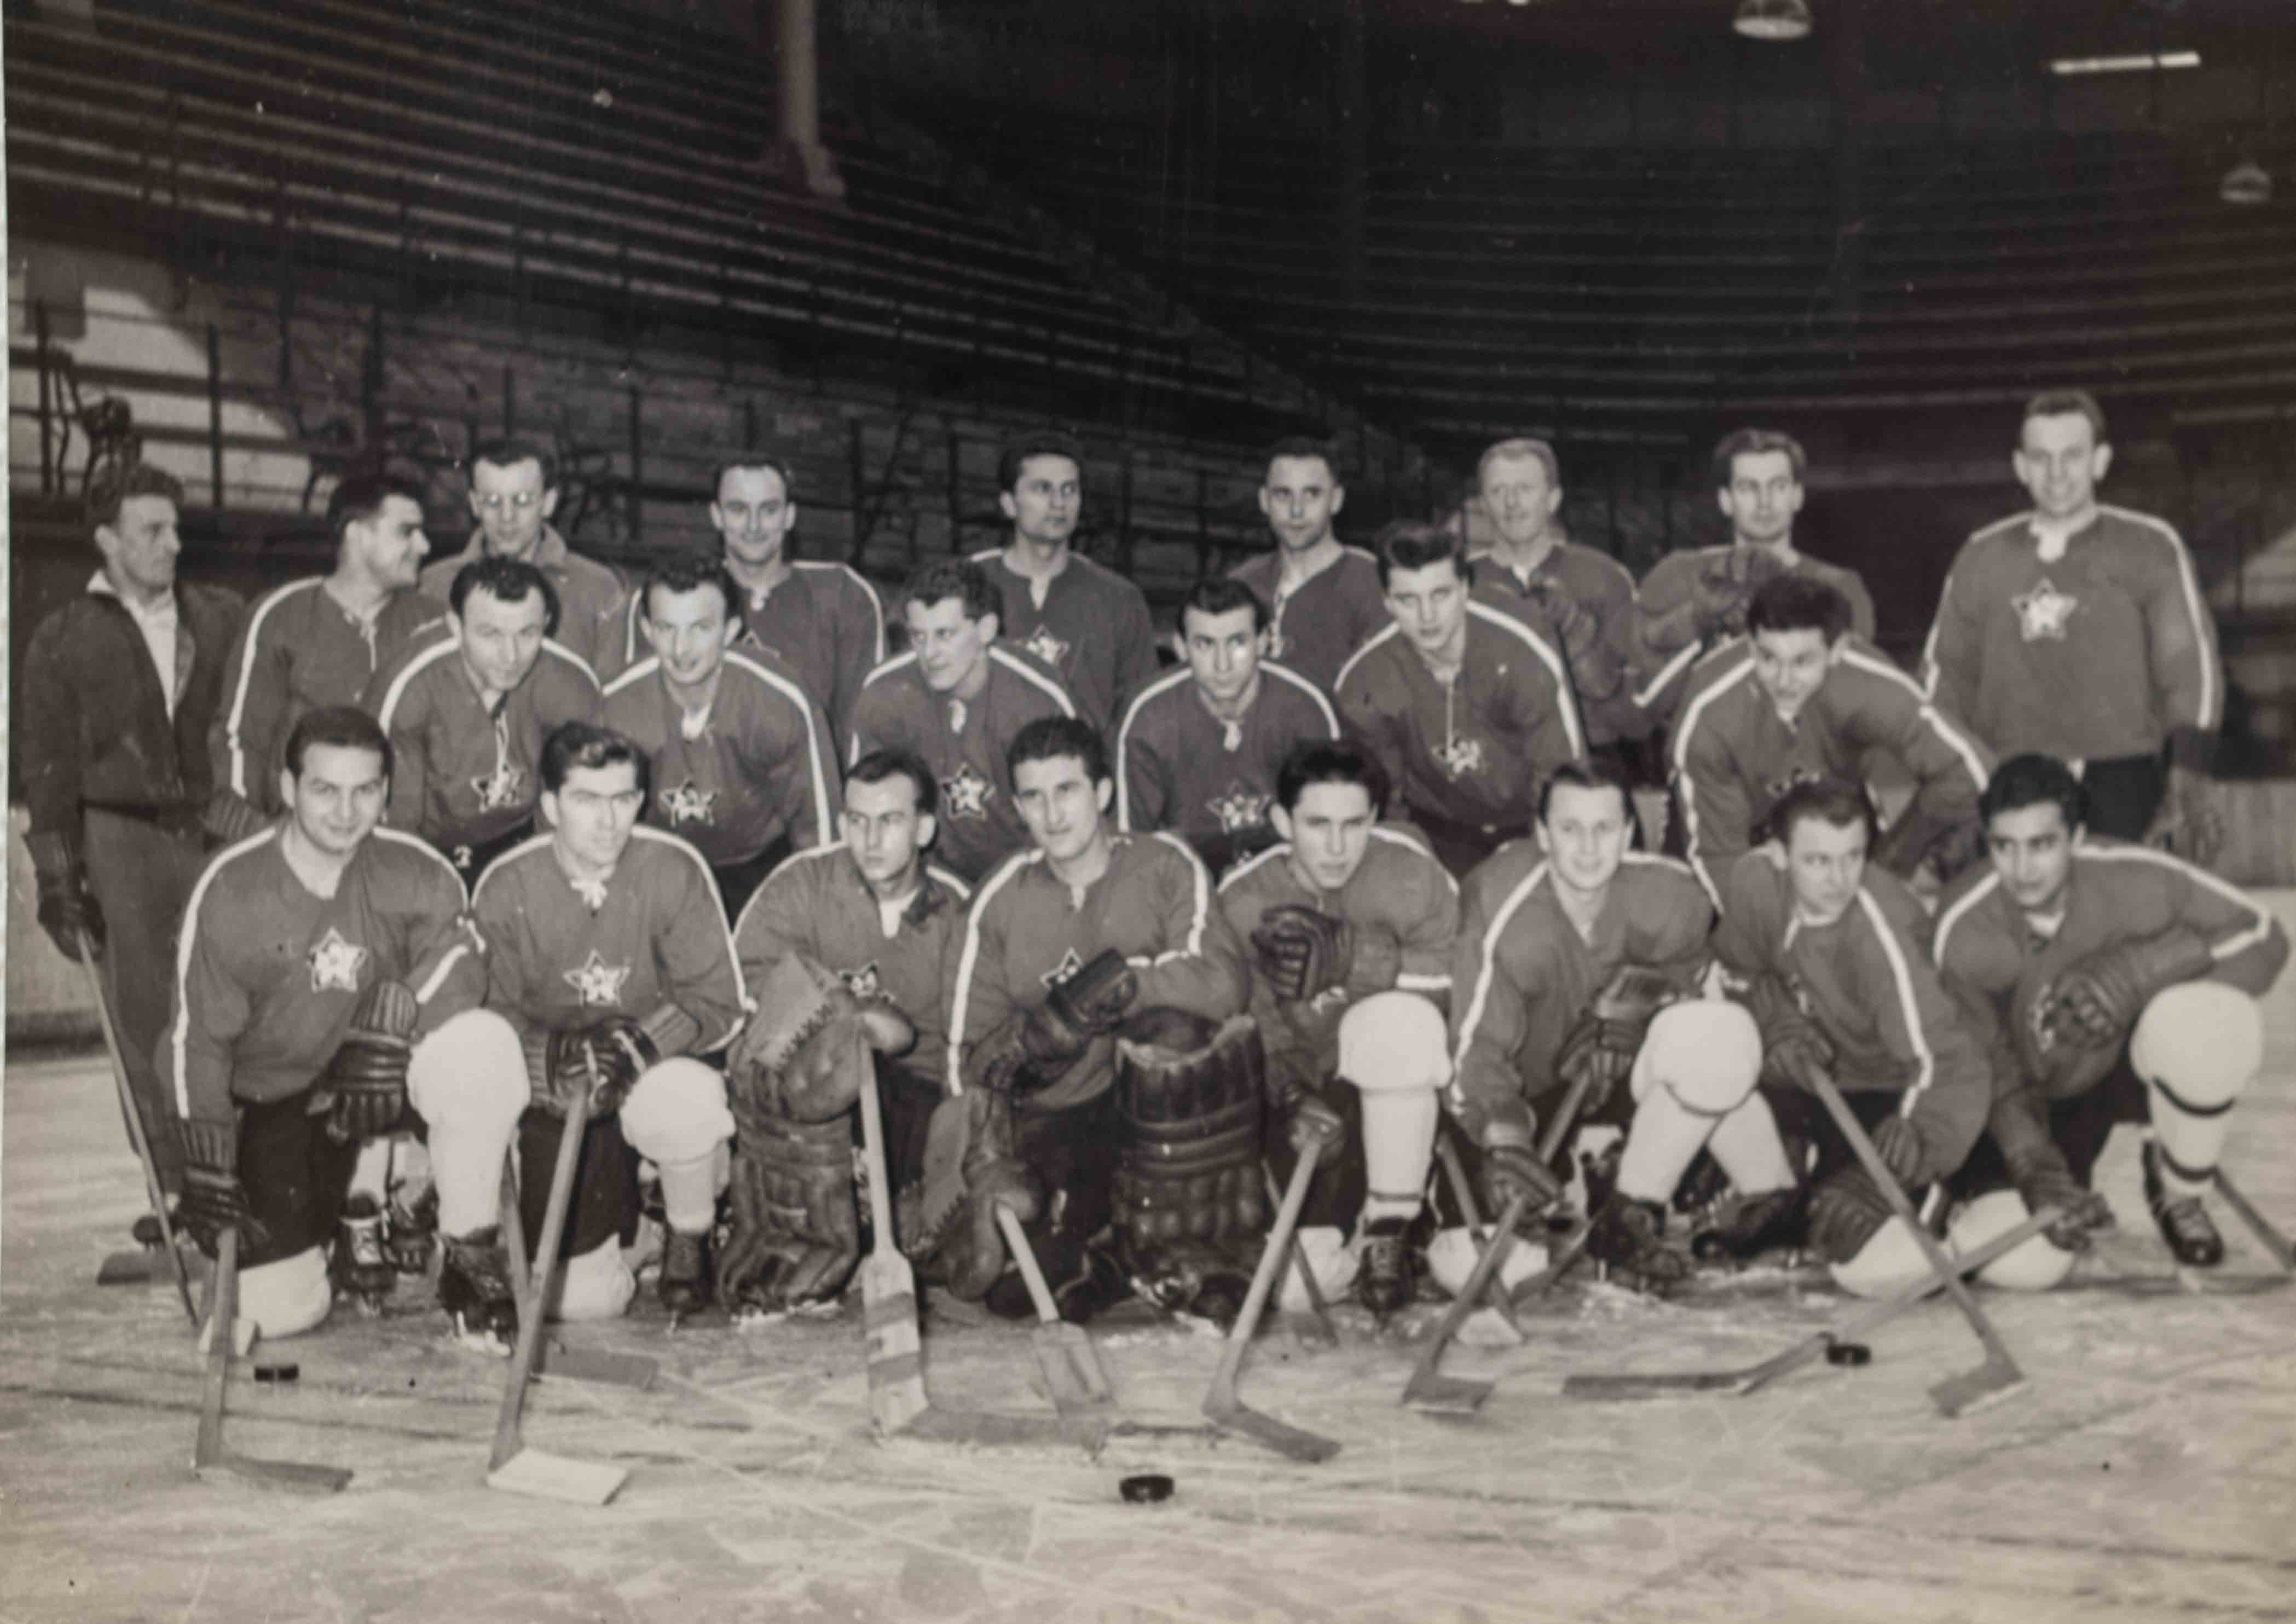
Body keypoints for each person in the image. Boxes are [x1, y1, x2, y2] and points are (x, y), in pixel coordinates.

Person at [159, 708, 487, 1338]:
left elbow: (463, 957)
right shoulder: (233, 886)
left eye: (365, 790)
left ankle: (467, 1243)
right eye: (324, 790)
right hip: (275, 1097)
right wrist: (205, 1158)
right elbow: (194, 1041)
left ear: (386, 792)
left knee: (479, 1050)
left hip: (377, 1080)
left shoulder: (413, 868)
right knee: (275, 1313)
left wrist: (397, 1020)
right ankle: (331, 1224)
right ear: (287, 790)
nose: (346, 812)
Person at [927, 717, 1252, 1324]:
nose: (1052, 814)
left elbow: (1222, 983)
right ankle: (1109, 1261)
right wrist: (991, 1136)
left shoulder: (1163, 865)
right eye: (1033, 796)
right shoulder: (1001, 896)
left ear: (1101, 793)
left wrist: (1119, 988)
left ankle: (1178, 1245)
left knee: (1173, 1032)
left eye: (1067, 790)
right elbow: (964, 1058)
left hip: (1154, 1121)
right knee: (1014, 1289)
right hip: (1058, 1120)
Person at [1931, 753, 2288, 1287]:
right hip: (2024, 1098)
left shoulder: (2135, 876)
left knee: (2214, 1023)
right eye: (2005, 847)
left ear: (2076, 839)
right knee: (2025, 1265)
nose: (2022, 869)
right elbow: (1974, 1057)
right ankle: (1961, 1206)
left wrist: (2143, 970)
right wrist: (2030, 1157)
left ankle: (2179, 1186)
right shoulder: (1962, 924)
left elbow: (2263, 933)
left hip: (2114, 1065)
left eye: (2042, 845)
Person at [442, 723, 748, 1338]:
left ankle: (688, 1234)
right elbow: (484, 1010)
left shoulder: (673, 868)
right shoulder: (508, 883)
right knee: (580, 1302)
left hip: (640, 1076)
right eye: (586, 800)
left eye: (622, 799)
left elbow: (720, 1002)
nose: (609, 822)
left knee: (690, 1092)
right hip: (558, 1092)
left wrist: (642, 1043)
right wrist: (543, 1056)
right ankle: (628, 1236)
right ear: (551, 805)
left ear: (640, 800)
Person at [1448, 760, 1785, 1296]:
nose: (1587, 848)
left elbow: (1698, 995)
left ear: (1630, 832)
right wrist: (1502, 1133)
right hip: (1529, 1095)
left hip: (1625, 1083)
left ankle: (1637, 1212)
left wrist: (1645, 1011)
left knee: (1718, 1038)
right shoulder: (1500, 901)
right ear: (1541, 834)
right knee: (1496, 1270)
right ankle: (1580, 1181)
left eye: (1604, 829)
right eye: (1569, 829)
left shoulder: (1672, 896)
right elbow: (1476, 1047)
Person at [21, 463, 245, 1204]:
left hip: (216, 835)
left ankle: (244, 1174)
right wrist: (58, 877)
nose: (173, 543)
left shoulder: (220, 616)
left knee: (232, 1005)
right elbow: (44, 768)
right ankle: (175, 1190)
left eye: (176, 527)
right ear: (107, 539)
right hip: (121, 840)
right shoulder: (60, 635)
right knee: (146, 1014)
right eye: (153, 529)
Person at [1711, 778, 1994, 1299]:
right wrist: (1773, 1018)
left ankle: (1937, 1202)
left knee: (1875, 1264)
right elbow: (1737, 973)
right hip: (1817, 1074)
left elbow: (1951, 1063)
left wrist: (1915, 1143)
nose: (1839, 879)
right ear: (1778, 854)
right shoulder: (1753, 882)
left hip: (1893, 1093)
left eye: (1853, 857)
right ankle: (1779, 1190)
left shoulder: (1881, 938)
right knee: (1716, 1046)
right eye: (1817, 861)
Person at [724, 748, 974, 1319]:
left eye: (890, 821)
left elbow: (968, 1037)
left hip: (915, 1097)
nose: (871, 839)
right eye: (857, 821)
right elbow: (748, 980)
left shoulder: (960, 911)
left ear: (925, 828)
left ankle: (891, 1218)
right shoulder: (803, 882)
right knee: (807, 1066)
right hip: (814, 1089)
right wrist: (842, 1010)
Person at [1921, 390, 2223, 854]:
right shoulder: (1981, 555)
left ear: (2100, 461)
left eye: (2072, 456)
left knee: (2118, 919)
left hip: (2122, 779)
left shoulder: (2148, 546)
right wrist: (1947, 781)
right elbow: (1945, 676)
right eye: (2040, 458)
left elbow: (2188, 666)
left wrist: (2188, 774)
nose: (2056, 473)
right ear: (2020, 466)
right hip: (2007, 777)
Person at [1216, 741, 1457, 1316]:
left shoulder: (1411, 872)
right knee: (1302, 1288)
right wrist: (1289, 1090)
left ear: (1374, 817)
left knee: (1399, 1021)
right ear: (1280, 821)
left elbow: (1458, 989)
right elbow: (1243, 1019)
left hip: (1398, 1085)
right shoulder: (1244, 899)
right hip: (1310, 1095)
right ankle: (1364, 1227)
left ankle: (1390, 1231)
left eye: (1354, 824)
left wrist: (1365, 962)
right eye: (1316, 824)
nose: (1336, 845)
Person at [1670, 574, 1994, 909]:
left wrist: (1891, 864)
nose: (1784, 681)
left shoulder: (1866, 686)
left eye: (1803, 661)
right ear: (1751, 645)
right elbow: (1719, 857)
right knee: (1694, 925)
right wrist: (1770, 937)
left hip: (1836, 818)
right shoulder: (1709, 713)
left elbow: (1970, 770)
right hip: (1740, 834)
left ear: (1837, 650)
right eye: (1768, 658)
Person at [1334, 521, 1584, 875]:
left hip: (1530, 819)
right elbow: (1384, 800)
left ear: (1465, 587)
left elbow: (1563, 775)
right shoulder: (1366, 678)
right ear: (1387, 602)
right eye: (1408, 599)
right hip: (1440, 828)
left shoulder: (1521, 647)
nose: (1427, 616)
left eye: (1440, 594)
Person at [603, 554, 839, 921]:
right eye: (666, 628)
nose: (681, 649)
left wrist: (818, 917)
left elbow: (819, 830)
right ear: (647, 631)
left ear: (731, 630)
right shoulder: (617, 706)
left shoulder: (779, 702)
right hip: (660, 865)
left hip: (758, 864)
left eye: (700, 628)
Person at [211, 471, 449, 831]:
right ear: (355, 534)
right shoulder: (280, 615)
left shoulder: (434, 625)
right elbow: (240, 740)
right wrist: (262, 838)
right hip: (301, 841)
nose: (424, 546)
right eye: (406, 532)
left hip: (401, 851)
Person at [369, 556, 603, 880]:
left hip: (524, 844)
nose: (510, 656)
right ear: (455, 625)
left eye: (527, 633)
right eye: (490, 634)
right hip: (430, 851)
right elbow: (395, 831)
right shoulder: (409, 688)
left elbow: (585, 806)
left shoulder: (569, 685)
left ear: (547, 623)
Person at [621, 458, 884, 743]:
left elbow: (863, 723)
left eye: (769, 510)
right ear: (716, 515)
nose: (754, 525)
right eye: (738, 509)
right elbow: (640, 712)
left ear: (789, 516)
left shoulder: (842, 595)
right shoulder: (669, 598)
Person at [849, 558, 1078, 885]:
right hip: (930, 875)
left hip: (1027, 873)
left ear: (986, 630)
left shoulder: (1036, 698)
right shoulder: (885, 692)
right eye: (918, 636)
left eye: (945, 635)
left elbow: (1069, 822)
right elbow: (862, 808)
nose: (930, 654)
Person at [1631, 429, 1878, 730]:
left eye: (1778, 486)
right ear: (1725, 500)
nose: (1765, 502)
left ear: (1797, 496)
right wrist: (1695, 620)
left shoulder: (1839, 586)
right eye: (1749, 488)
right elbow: (1639, 702)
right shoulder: (1678, 573)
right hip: (1701, 752)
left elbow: (1852, 699)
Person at [1115, 577, 1340, 876]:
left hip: (1285, 866)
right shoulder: (1148, 716)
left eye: (1237, 642)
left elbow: (1334, 823)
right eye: (1205, 644)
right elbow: (1132, 843)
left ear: (1263, 642)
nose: (1222, 664)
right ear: (1181, 648)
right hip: (1184, 870)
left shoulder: (1305, 705)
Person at [1466, 438, 1648, 775]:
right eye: (1498, 491)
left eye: (1525, 488)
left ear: (1553, 499)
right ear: (1483, 504)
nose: (1511, 503)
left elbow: (1636, 714)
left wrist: (1583, 646)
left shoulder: (1606, 577)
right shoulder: (1461, 583)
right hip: (1496, 764)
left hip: (1592, 764)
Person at [968, 430, 1155, 735]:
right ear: (1009, 503)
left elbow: (1140, 719)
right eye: (1042, 489)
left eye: (1069, 490)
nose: (1059, 503)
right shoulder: (966, 585)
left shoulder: (1119, 598)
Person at [419, 436, 630, 684]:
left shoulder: (598, 589)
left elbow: (613, 693)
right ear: (474, 504)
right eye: (493, 502)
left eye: (522, 501)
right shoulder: (434, 585)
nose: (507, 517)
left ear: (549, 503)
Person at [1227, 436, 1388, 696]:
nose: (1296, 511)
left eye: (1312, 494)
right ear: (1264, 501)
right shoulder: (1241, 584)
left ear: (1336, 500)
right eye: (1283, 494)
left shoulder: (1372, 583)